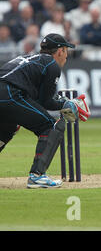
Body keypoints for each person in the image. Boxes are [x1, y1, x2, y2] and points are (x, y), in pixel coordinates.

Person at [0, 33, 89, 188]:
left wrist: (64, 103)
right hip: (9, 94)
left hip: (6, 92)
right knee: (50, 126)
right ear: (60, 51)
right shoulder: (51, 65)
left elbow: (36, 100)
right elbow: (45, 102)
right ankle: (37, 176)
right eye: (66, 51)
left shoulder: (32, 58)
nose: (67, 56)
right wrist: (67, 104)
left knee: (7, 130)